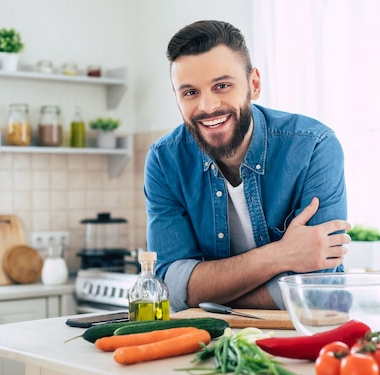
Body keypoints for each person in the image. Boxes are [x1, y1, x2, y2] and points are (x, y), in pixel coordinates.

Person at [144, 20, 350, 312]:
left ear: (254, 84)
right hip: (208, 341)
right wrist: (281, 255)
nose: (207, 106)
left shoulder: (313, 146)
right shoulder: (165, 161)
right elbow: (170, 287)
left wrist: (204, 295)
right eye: (190, 92)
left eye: (222, 85)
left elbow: (316, 288)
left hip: (305, 337)